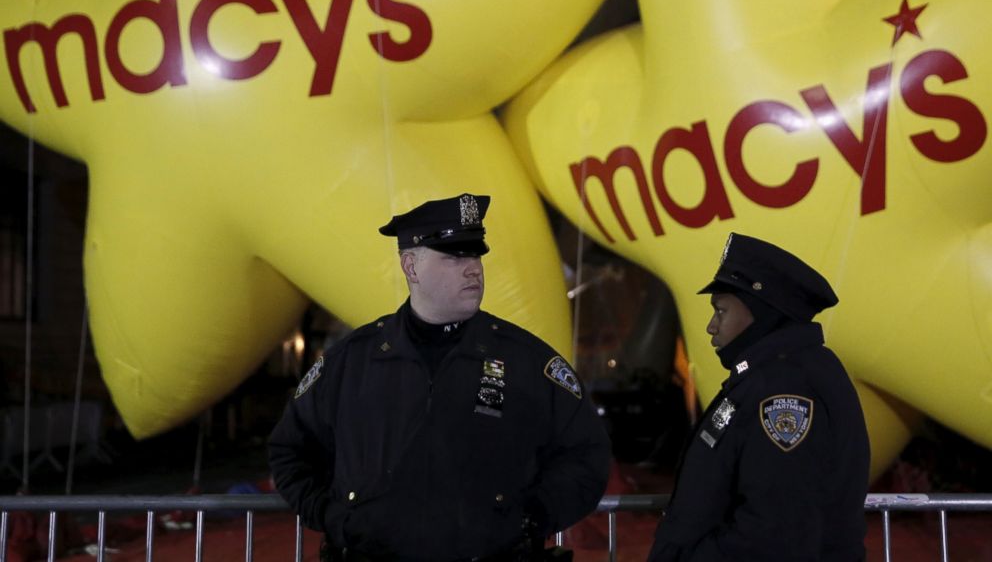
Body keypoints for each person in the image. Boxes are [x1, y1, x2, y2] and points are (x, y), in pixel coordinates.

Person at [268, 193, 611, 561]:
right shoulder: (350, 363)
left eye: (476, 255)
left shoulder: (527, 361)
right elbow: (290, 451)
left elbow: (585, 455)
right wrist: (335, 518)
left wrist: (529, 519)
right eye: (454, 256)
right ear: (411, 267)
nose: (473, 269)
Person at [648, 232, 870, 562]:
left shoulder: (785, 389)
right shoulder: (772, 376)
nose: (711, 326)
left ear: (759, 313)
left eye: (721, 311)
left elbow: (772, 531)